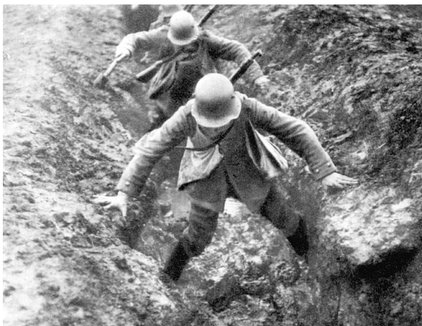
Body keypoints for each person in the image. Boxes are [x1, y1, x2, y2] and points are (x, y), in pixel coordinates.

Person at [94, 73, 356, 283]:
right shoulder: (185, 116)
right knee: (197, 237)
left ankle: (308, 259)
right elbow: (151, 150)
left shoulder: (247, 107)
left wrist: (325, 171)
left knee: (284, 218)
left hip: (250, 175)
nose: (215, 125)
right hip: (206, 181)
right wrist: (124, 193)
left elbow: (295, 129)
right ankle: (169, 277)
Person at [114, 9, 270, 130]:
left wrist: (256, 76)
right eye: (182, 42)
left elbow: (236, 49)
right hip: (169, 94)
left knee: (215, 127)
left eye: (190, 41)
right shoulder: (162, 36)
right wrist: (126, 48)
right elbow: (135, 39)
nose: (187, 46)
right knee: (162, 127)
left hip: (203, 94)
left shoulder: (206, 40)